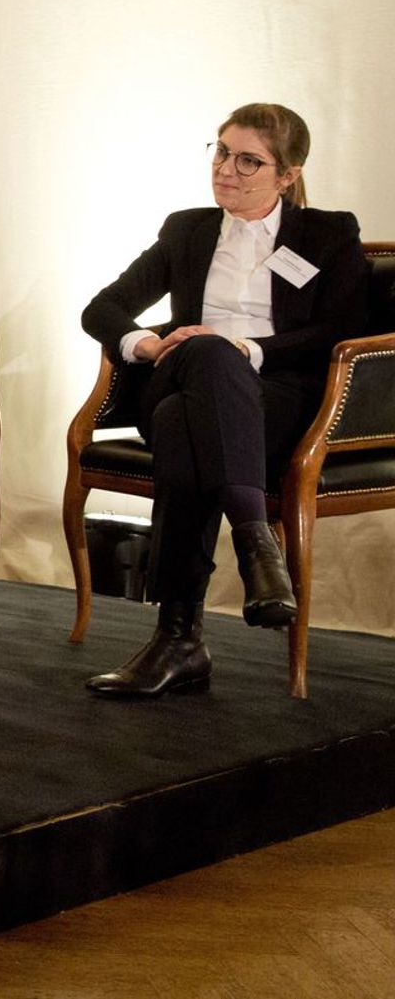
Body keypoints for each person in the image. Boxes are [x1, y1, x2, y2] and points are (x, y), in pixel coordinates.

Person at [81, 104, 367, 698]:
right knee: (204, 359)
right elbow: (102, 309)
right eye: (221, 151)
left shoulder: (327, 234)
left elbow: (340, 330)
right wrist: (147, 343)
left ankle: (179, 640)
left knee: (182, 421)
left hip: (275, 396)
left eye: (248, 161)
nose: (225, 169)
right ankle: (255, 542)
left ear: (288, 175)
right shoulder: (187, 229)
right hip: (179, 373)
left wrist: (248, 348)